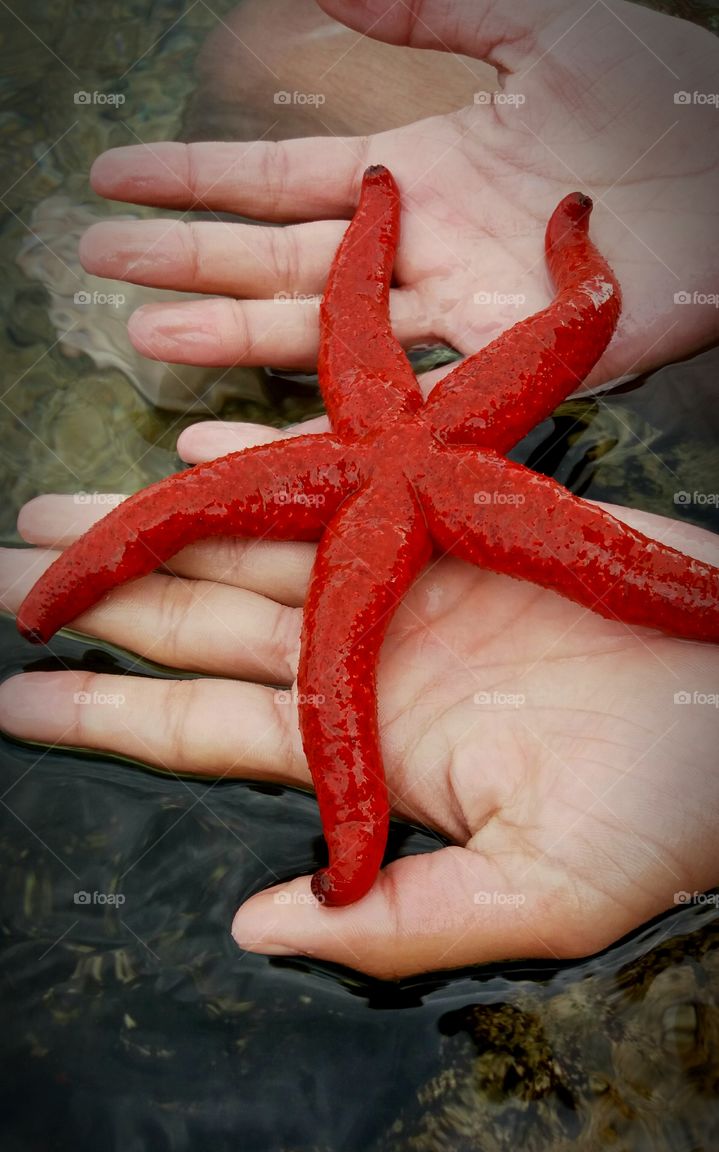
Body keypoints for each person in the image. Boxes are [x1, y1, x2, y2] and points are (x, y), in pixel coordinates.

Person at [1, 0, 718, 979]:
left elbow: (564, 310)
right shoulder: (418, 417)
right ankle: (53, 604)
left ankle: (50, 611)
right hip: (403, 473)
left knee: (225, 561)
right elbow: (572, 306)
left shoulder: (399, 425)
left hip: (390, 476)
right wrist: (381, 213)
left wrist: (390, 211)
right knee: (199, 537)